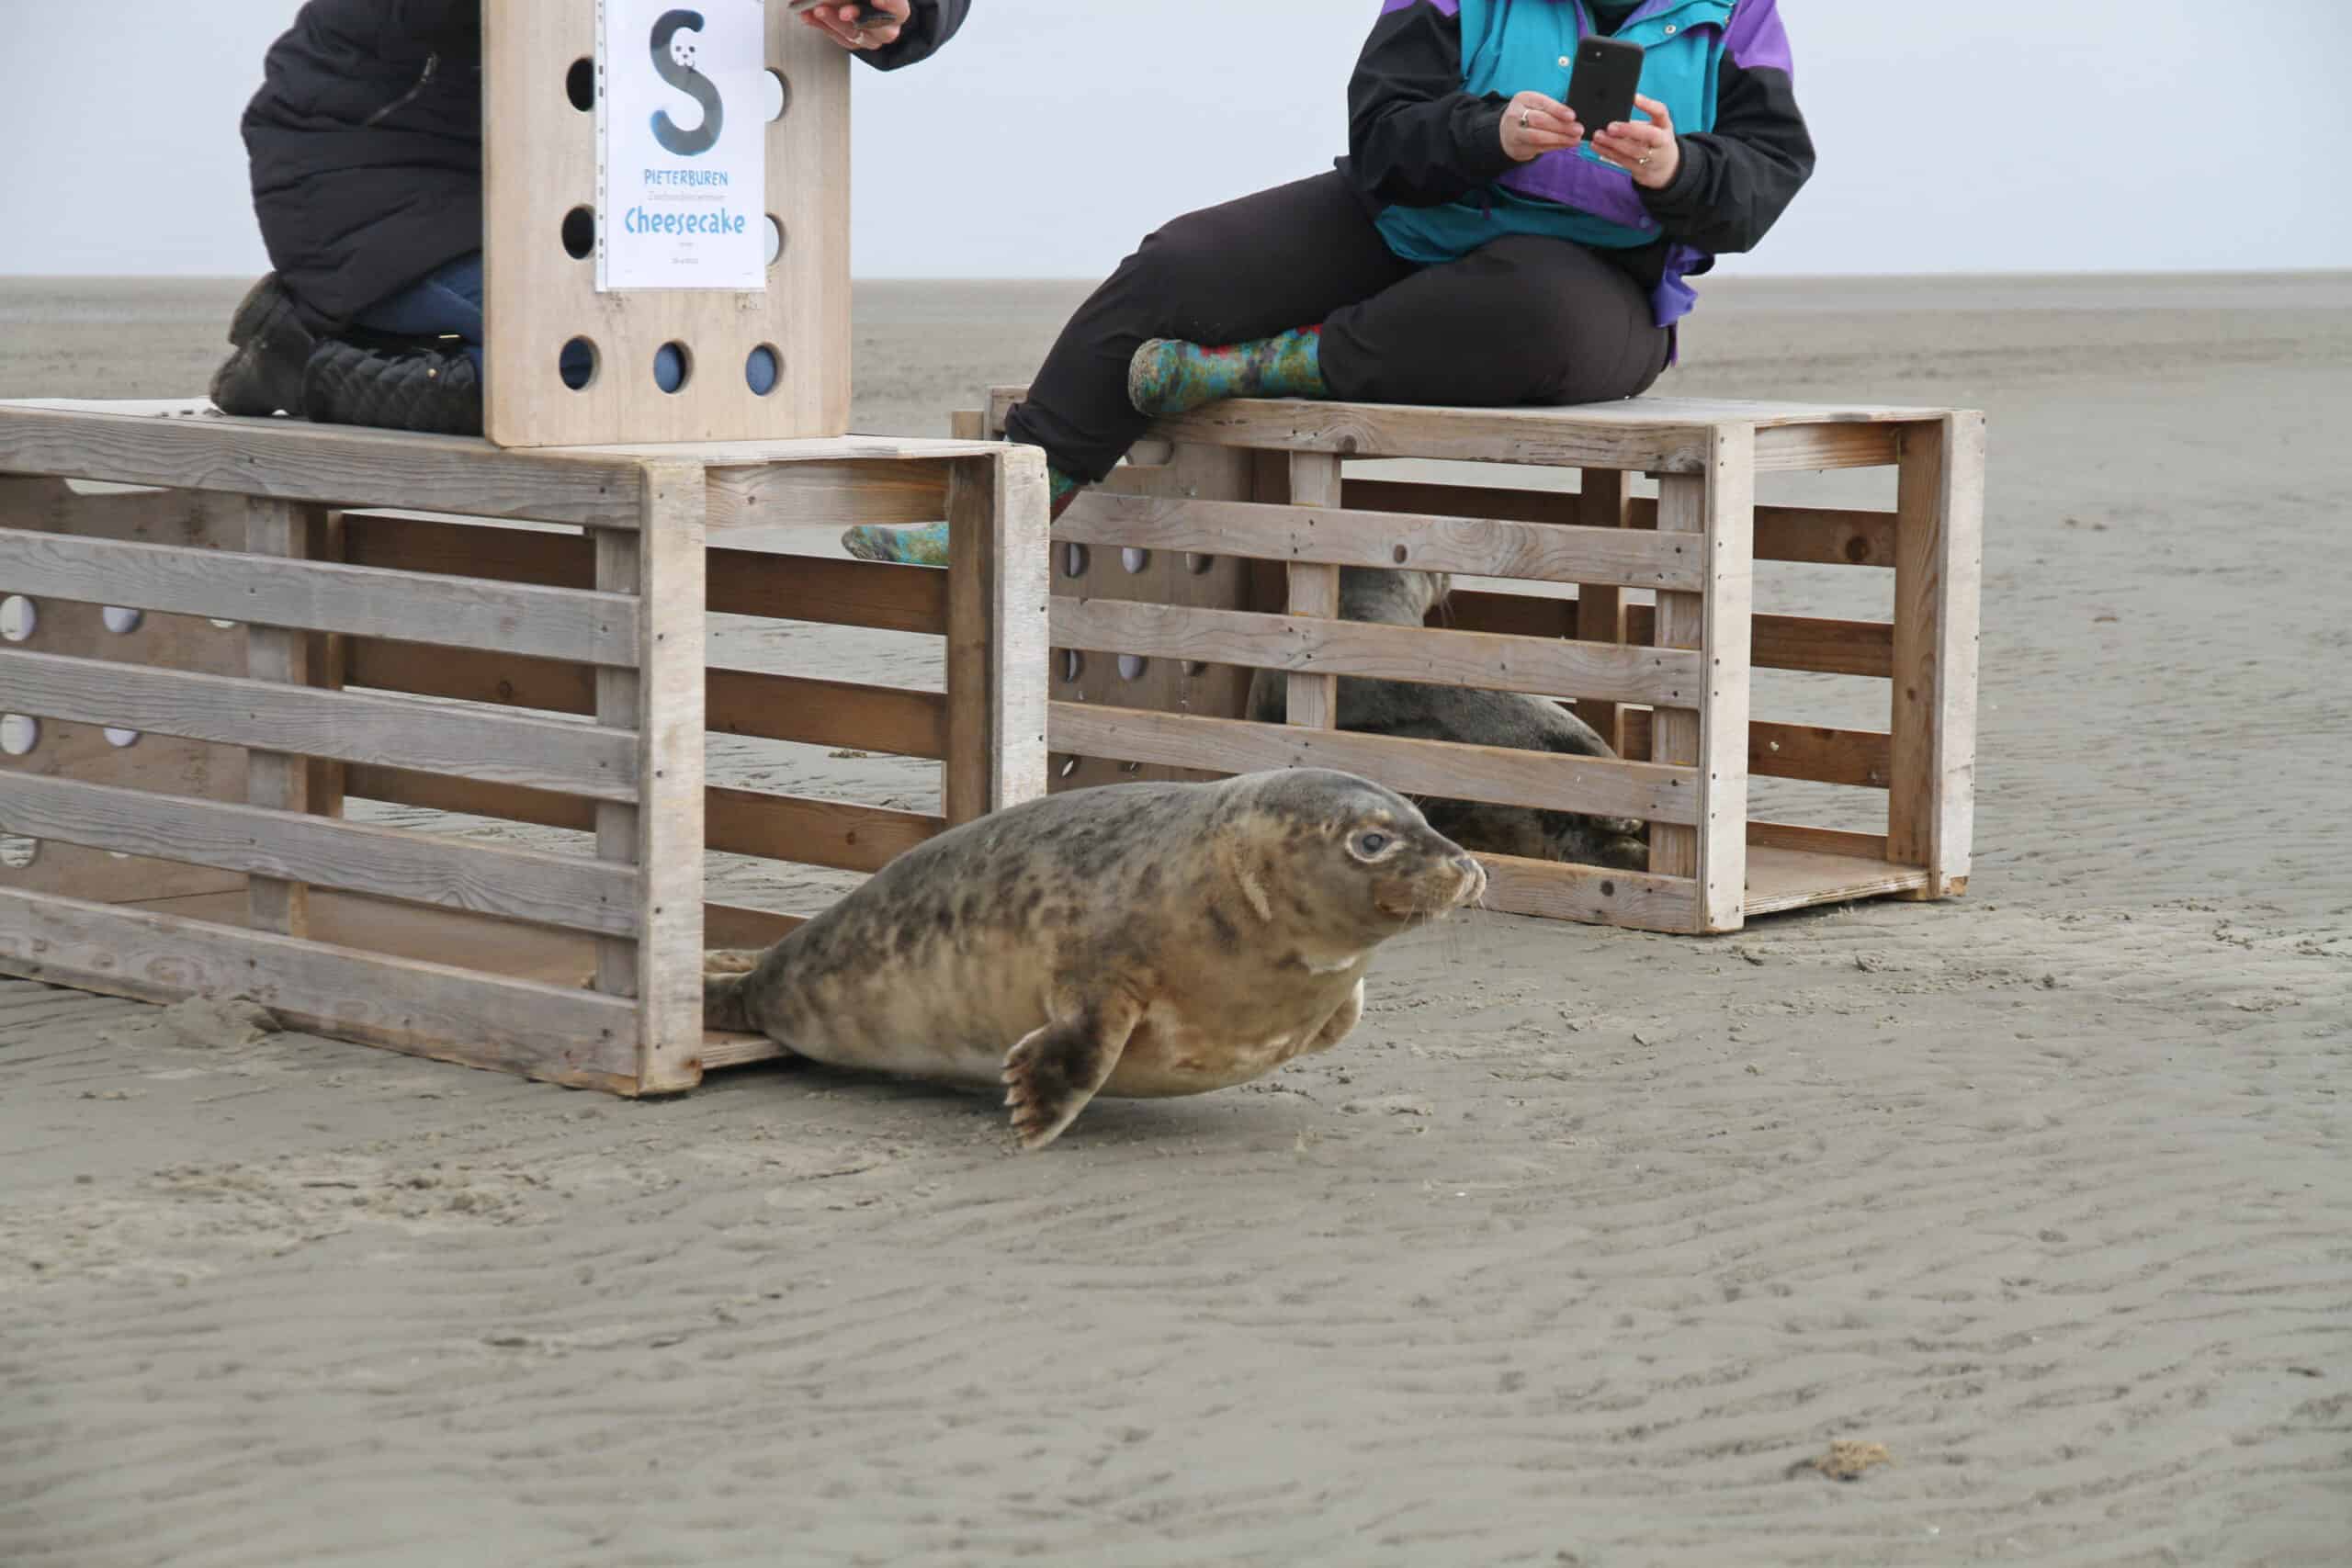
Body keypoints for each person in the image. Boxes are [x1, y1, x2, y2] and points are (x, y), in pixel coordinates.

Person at [845, 0, 1812, 565]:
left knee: (1523, 309)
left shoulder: (1738, 17)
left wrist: (1673, 169)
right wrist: (1489, 133)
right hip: (1407, 218)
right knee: (1182, 262)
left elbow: (1763, 180)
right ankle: (1001, 514)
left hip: (1593, 284)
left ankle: (1242, 371)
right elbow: (1381, 132)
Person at [210, 1, 969, 434]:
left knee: (753, 370)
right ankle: (305, 364)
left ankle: (348, 337)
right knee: (647, 372)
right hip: (378, 182)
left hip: (584, 196)